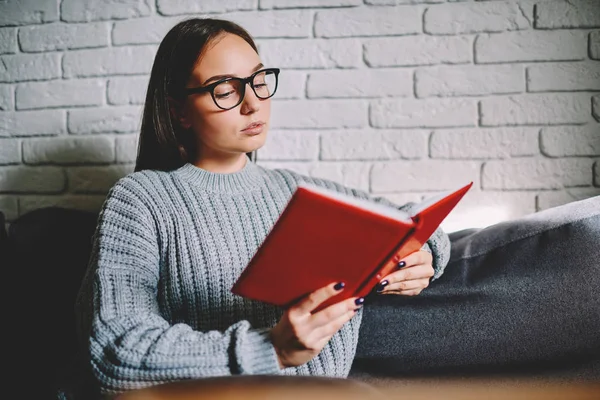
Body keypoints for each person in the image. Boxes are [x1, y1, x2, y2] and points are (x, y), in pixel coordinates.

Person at [74, 17, 451, 398]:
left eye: (257, 80)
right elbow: (115, 349)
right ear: (179, 112)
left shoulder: (301, 191)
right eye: (225, 88)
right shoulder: (141, 198)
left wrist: (422, 252)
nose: (253, 103)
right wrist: (270, 349)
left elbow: (413, 221)